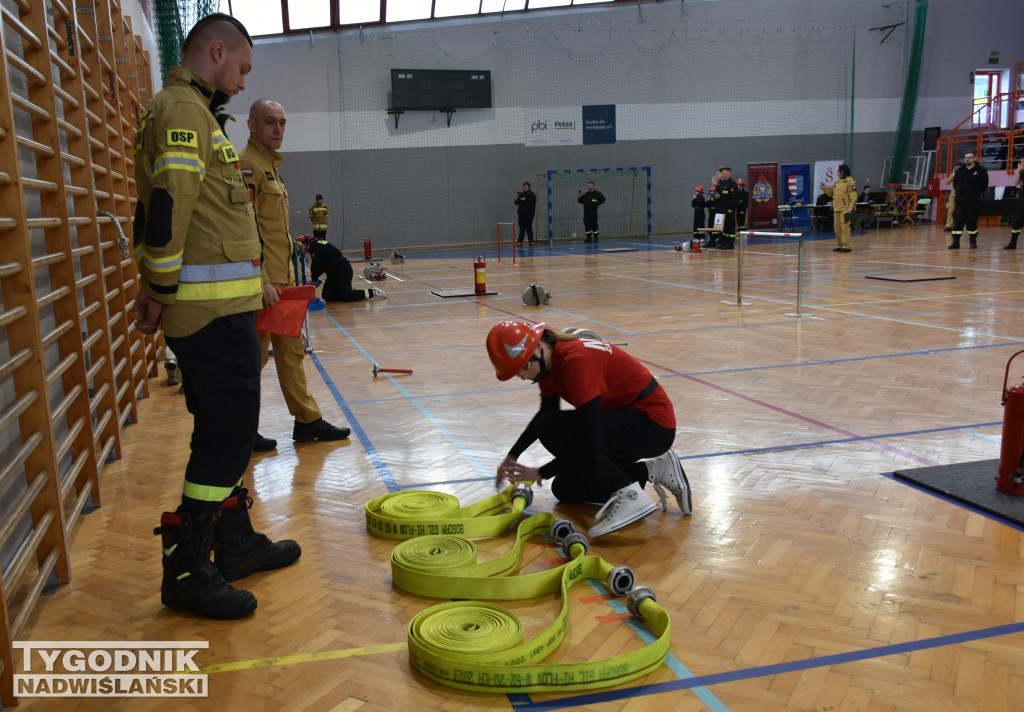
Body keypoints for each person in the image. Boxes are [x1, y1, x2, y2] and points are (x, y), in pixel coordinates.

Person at [134, 14, 299, 620]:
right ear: (218, 51)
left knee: (224, 434)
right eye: (243, 69)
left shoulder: (194, 113)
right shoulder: (182, 112)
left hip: (222, 308)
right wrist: (157, 285)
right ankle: (185, 570)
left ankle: (231, 546)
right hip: (207, 316)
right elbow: (168, 206)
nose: (241, 80)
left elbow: (205, 216)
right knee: (228, 437)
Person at [486, 321, 692, 538]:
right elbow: (545, 411)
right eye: (518, 373)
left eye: (524, 368)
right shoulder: (548, 365)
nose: (524, 376)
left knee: (550, 427)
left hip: (652, 426)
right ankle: (653, 470)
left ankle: (631, 496)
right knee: (566, 488)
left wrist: (540, 472)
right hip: (627, 426)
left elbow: (591, 445)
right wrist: (512, 455)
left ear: (537, 348)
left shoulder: (575, 360)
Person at [241, 99, 352, 450]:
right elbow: (244, 229)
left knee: (291, 354)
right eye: (270, 122)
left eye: (283, 123)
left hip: (284, 282)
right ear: (252, 126)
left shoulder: (271, 167)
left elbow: (271, 230)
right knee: (252, 360)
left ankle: (307, 421)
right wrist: (259, 281)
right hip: (264, 286)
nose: (278, 129)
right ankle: (240, 430)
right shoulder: (247, 167)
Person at [302, 235, 387, 302]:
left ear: (306, 244)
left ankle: (372, 291)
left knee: (347, 296)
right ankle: (351, 292)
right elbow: (322, 266)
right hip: (333, 273)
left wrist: (313, 279)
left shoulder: (315, 248)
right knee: (327, 296)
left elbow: (316, 265)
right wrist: (315, 278)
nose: (303, 251)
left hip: (342, 271)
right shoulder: (317, 244)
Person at [948, 151, 989, 249]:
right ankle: (955, 242)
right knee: (958, 221)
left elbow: (984, 185)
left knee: (972, 220)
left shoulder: (981, 170)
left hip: (972, 201)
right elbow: (955, 184)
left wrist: (974, 193)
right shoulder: (960, 170)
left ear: (974, 158)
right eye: (966, 157)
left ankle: (973, 241)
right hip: (959, 201)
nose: (967, 159)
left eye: (969, 157)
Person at [821, 164, 856, 252]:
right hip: (836, 208)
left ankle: (846, 246)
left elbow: (854, 196)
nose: (837, 173)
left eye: (838, 171)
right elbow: (830, 193)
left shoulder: (850, 181)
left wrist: (851, 207)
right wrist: (824, 188)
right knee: (837, 227)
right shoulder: (836, 182)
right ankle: (840, 245)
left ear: (843, 171)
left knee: (845, 227)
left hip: (846, 208)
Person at [710, 167, 738, 249]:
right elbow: (719, 194)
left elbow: (733, 198)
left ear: (728, 173)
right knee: (725, 228)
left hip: (728, 209)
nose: (722, 174)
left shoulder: (732, 184)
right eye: (722, 173)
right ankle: (725, 243)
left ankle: (730, 243)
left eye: (724, 173)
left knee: (730, 227)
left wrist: (731, 208)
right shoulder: (722, 184)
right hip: (722, 209)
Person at [1006, 158, 1023, 250]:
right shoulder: (1021, 172)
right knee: (1017, 220)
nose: (1020, 164)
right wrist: (1019, 172)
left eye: (1022, 163)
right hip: (1022, 198)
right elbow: (1016, 183)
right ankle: (1013, 243)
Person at [515, 182, 537, 246]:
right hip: (521, 215)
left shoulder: (532, 195)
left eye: (526, 187)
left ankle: (531, 241)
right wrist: (520, 198)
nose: (524, 189)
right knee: (522, 229)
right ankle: (520, 241)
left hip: (529, 215)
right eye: (524, 187)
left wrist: (525, 199)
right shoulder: (522, 194)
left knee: (529, 228)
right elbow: (516, 202)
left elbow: (531, 202)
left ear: (529, 187)